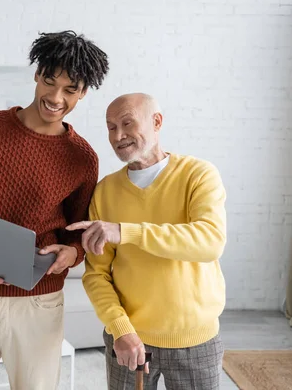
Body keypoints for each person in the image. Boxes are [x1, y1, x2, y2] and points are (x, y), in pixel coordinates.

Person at [0, 31, 109, 390]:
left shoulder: (83, 158)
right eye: (50, 82)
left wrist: (72, 253)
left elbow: (75, 237)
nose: (55, 97)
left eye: (69, 89)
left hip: (40, 301)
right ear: (37, 74)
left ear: (83, 93)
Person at [67, 93, 227, 389]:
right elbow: (96, 274)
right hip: (129, 340)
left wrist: (125, 231)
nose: (118, 135)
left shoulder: (198, 175)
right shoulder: (105, 191)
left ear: (157, 122)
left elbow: (209, 242)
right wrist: (121, 330)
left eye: (127, 123)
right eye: (111, 127)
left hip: (196, 341)